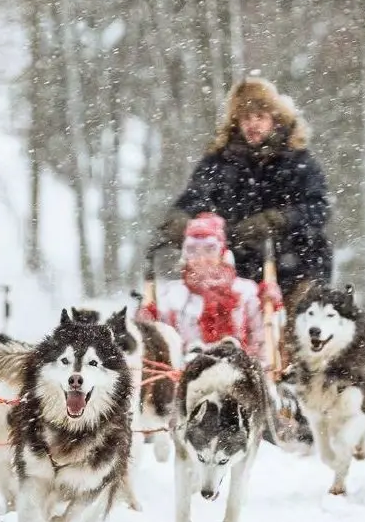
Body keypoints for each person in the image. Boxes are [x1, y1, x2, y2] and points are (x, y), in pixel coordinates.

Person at [149, 76, 333, 321]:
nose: (252, 124)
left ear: (275, 119)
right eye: (246, 118)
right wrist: (181, 220)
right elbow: (195, 197)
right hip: (236, 268)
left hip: (296, 266)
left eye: (260, 117)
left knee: (292, 332)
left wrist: (277, 220)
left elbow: (317, 208)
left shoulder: (298, 161)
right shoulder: (219, 162)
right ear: (237, 122)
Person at [137, 212, 283, 368]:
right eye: (193, 250)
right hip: (185, 380)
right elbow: (163, 344)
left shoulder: (246, 291)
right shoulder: (171, 294)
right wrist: (146, 319)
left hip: (239, 378)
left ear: (221, 252)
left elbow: (262, 342)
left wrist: (260, 372)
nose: (201, 258)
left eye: (209, 249)